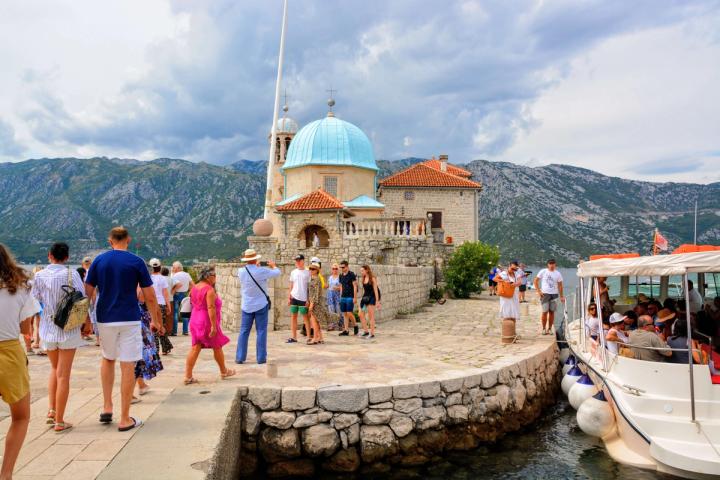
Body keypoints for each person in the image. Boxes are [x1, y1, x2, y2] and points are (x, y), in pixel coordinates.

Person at [85, 226, 162, 432]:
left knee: (108, 358)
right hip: (129, 318)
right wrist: (156, 320)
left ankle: (107, 405)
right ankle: (125, 418)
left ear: (110, 241)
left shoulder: (99, 261)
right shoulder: (136, 262)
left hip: (105, 317)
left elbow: (87, 292)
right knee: (128, 365)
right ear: (128, 240)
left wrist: (85, 319)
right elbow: (150, 295)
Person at [32, 242, 89, 432]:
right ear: (66, 257)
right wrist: (87, 323)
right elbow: (82, 299)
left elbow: (34, 301)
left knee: (55, 368)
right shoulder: (72, 274)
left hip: (48, 328)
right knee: (64, 374)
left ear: (49, 255)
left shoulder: (39, 275)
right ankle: (59, 421)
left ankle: (51, 409)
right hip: (68, 328)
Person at [0, 244, 40, 479]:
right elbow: (26, 328)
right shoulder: (21, 287)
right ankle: (6, 474)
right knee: (21, 416)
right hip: (10, 353)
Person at [184, 266, 235, 383]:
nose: (216, 277)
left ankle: (188, 376)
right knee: (217, 346)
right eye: (214, 275)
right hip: (206, 321)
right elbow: (210, 308)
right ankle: (224, 371)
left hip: (195, 319)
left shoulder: (194, 288)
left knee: (195, 347)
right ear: (208, 277)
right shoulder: (209, 290)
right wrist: (213, 326)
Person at [236, 249, 280, 364]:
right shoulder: (262, 271)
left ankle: (240, 357)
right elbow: (277, 273)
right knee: (261, 331)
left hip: (246, 305)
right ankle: (261, 358)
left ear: (246, 259)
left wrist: (256, 267)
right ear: (255, 259)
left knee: (244, 331)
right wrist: (273, 266)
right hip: (261, 304)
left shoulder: (240, 271)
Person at [135, 288, 163, 397]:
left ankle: (141, 384)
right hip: (142, 323)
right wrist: (157, 322)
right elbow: (152, 302)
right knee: (141, 356)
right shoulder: (142, 288)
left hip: (128, 320)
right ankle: (134, 391)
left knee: (136, 355)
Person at [533, 259, 565, 335]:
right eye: (550, 264)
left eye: (553, 264)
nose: (552, 265)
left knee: (552, 312)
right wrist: (539, 291)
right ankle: (544, 328)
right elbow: (535, 281)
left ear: (555, 265)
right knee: (544, 312)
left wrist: (561, 296)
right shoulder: (543, 271)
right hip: (545, 294)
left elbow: (560, 285)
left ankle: (550, 328)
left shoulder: (558, 274)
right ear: (548, 265)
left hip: (554, 295)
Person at [148, 258, 173, 355]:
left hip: (150, 305)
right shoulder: (162, 278)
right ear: (160, 267)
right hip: (161, 304)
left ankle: (156, 349)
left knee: (153, 327)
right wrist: (168, 305)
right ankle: (165, 348)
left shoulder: (147, 277)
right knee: (161, 325)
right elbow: (165, 293)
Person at [287, 254, 310, 343]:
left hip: (303, 298)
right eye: (296, 260)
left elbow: (309, 287)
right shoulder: (293, 272)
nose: (297, 262)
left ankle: (308, 337)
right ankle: (294, 337)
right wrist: (289, 297)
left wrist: (308, 299)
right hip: (294, 297)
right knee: (293, 317)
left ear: (303, 261)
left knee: (305, 318)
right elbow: (291, 285)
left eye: (299, 260)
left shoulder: (308, 272)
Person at [497, 260, 522, 342]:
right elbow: (495, 278)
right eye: (512, 268)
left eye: (515, 269)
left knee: (513, 314)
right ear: (509, 265)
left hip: (514, 295)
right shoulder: (504, 273)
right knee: (507, 313)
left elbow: (519, 282)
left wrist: (515, 284)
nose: (513, 270)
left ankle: (513, 333)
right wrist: (505, 282)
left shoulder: (516, 274)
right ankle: (507, 333)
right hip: (505, 295)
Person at [171, 261, 194, 336]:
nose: (173, 269)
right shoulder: (187, 274)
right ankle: (185, 331)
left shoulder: (174, 275)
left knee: (175, 313)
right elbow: (193, 285)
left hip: (176, 294)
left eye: (174, 267)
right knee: (185, 313)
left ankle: (174, 332)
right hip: (185, 294)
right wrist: (190, 292)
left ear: (178, 268)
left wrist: (172, 292)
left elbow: (173, 285)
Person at [307, 262, 328, 344]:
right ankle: (320, 338)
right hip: (315, 302)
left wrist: (311, 304)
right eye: (310, 268)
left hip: (315, 303)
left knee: (314, 321)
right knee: (316, 321)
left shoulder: (316, 279)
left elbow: (316, 293)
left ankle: (315, 338)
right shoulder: (313, 278)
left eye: (313, 269)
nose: (311, 270)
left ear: (317, 270)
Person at [358, 265, 381, 339]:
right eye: (361, 271)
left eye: (362, 270)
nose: (361, 272)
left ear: (367, 270)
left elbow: (376, 290)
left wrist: (377, 301)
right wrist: (362, 299)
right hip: (365, 298)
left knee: (371, 316)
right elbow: (364, 290)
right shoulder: (363, 278)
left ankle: (372, 333)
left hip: (372, 298)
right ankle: (366, 331)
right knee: (361, 314)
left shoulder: (372, 278)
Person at [338, 260, 358, 336]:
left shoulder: (351, 274)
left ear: (347, 266)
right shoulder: (341, 275)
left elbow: (355, 286)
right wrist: (340, 296)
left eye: (343, 267)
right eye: (341, 267)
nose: (342, 269)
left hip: (350, 296)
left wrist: (355, 297)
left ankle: (355, 325)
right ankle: (346, 330)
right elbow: (341, 286)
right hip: (343, 296)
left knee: (349, 312)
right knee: (345, 314)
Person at [326, 263, 342, 329]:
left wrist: (337, 288)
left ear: (338, 269)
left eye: (336, 268)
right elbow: (327, 285)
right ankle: (332, 325)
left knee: (338, 309)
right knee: (331, 309)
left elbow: (342, 287)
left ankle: (340, 324)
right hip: (330, 295)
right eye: (333, 268)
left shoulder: (340, 277)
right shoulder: (330, 277)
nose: (334, 270)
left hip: (337, 295)